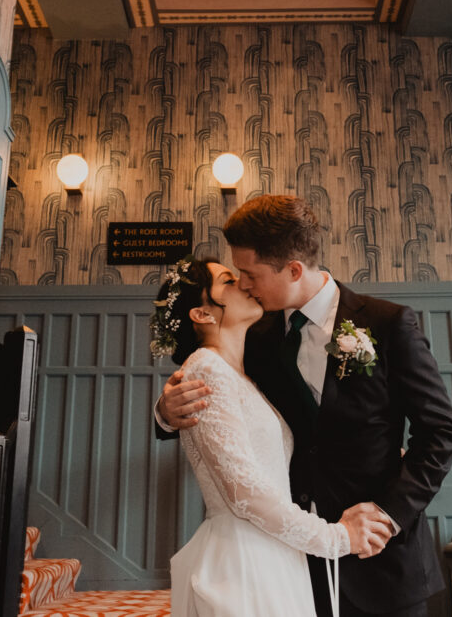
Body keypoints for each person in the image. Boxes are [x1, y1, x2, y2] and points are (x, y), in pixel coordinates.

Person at [157, 196, 452, 617]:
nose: (244, 284)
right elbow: (222, 400)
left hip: (381, 561)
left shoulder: (388, 323)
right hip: (292, 561)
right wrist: (165, 412)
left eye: (250, 274)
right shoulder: (253, 334)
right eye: (237, 275)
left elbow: (440, 433)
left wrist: (389, 516)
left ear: (294, 270)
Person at [151, 258, 390, 617]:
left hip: (277, 551)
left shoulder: (248, 364)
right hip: (244, 559)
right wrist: (336, 538)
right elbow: (244, 493)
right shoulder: (205, 370)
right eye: (229, 281)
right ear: (202, 314)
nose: (245, 284)